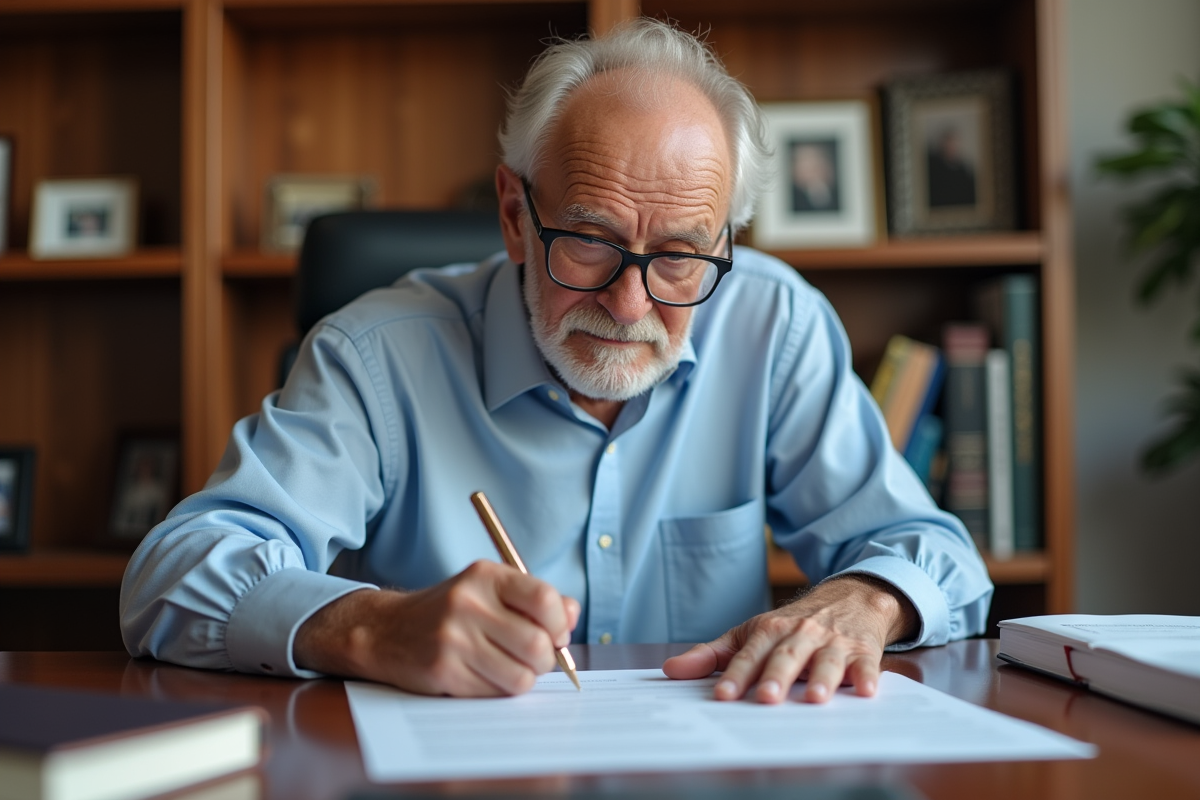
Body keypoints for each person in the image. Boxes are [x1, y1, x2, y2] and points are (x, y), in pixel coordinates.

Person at [120, 20, 992, 705]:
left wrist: (867, 600)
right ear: (513, 215)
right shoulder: (375, 357)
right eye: (589, 241)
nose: (630, 303)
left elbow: (934, 554)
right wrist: (370, 626)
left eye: (682, 256)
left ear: (726, 241)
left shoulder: (774, 323)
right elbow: (170, 578)